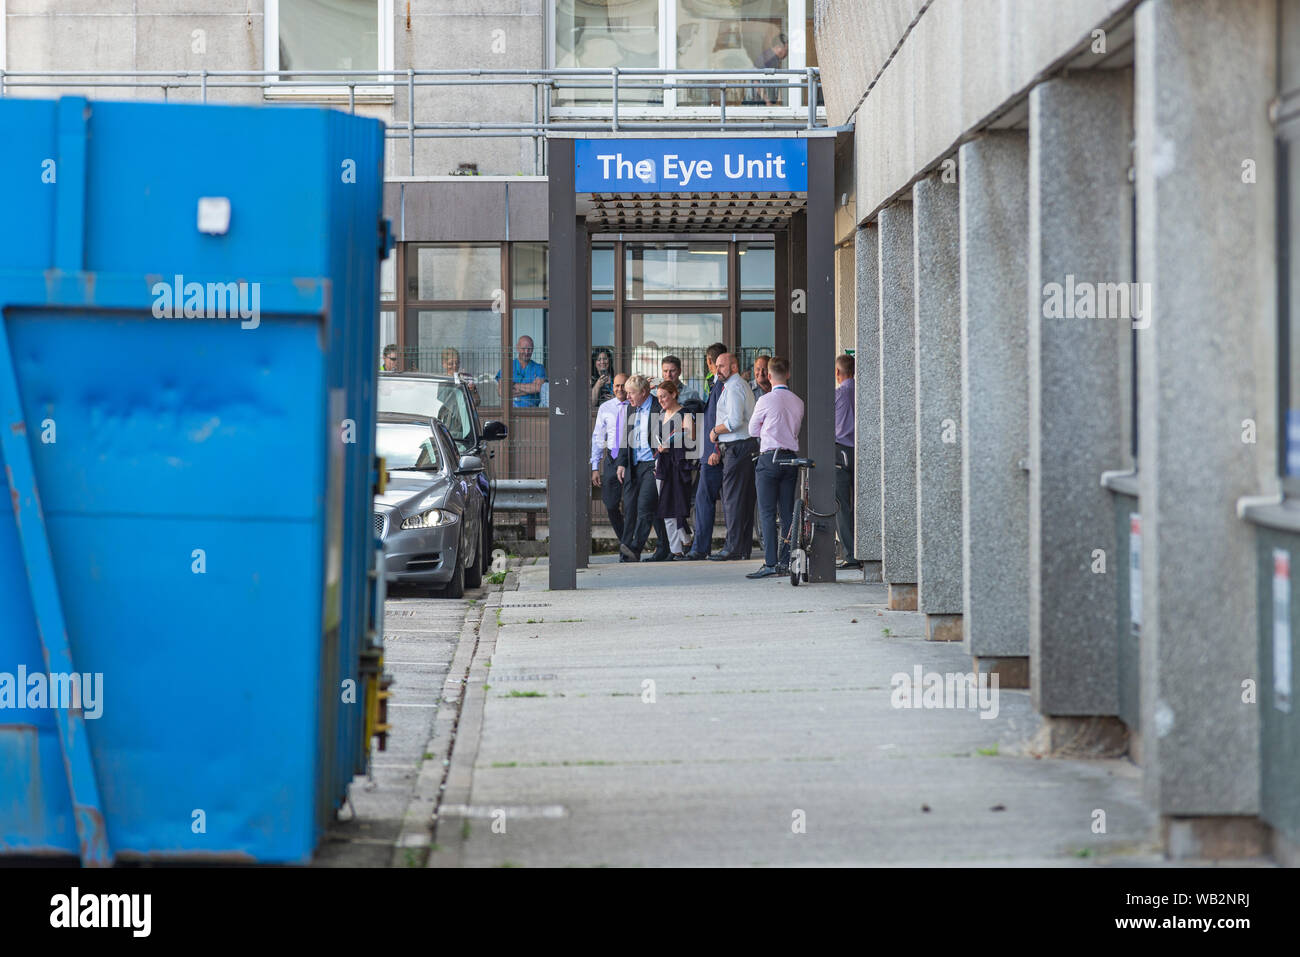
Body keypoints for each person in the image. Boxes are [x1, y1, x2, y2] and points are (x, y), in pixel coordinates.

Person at [746, 356, 805, 579]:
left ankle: (770, 563)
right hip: (790, 459)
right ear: (788, 374)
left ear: (769, 376)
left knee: (767, 512)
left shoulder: (765, 400)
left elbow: (753, 430)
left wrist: (768, 431)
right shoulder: (798, 401)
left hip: (769, 458)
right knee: (788, 511)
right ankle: (786, 560)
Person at [707, 352, 757, 561]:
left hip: (737, 447)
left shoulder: (735, 387)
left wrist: (715, 431)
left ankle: (733, 548)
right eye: (717, 366)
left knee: (733, 499)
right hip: (744, 447)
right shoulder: (738, 385)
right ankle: (742, 547)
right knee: (743, 499)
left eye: (722, 366)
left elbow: (735, 421)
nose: (717, 370)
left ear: (734, 367)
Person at [681, 342, 729, 560]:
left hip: (713, 452)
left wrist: (715, 448)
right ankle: (718, 545)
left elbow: (721, 419)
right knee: (718, 500)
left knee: (703, 499)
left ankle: (701, 547)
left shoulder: (720, 386)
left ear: (709, 362)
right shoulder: (718, 385)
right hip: (713, 451)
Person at [615, 375, 661, 563]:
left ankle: (635, 548)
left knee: (645, 507)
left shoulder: (658, 407)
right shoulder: (630, 408)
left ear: (644, 392)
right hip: (634, 465)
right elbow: (626, 437)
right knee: (630, 507)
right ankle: (626, 549)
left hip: (652, 463)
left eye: (631, 393)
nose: (628, 397)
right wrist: (621, 462)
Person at [652, 379, 696, 559]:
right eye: (659, 397)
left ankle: (686, 539)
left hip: (680, 466)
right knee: (665, 506)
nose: (661, 400)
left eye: (664, 396)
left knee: (678, 505)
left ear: (673, 394)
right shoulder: (661, 415)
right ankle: (675, 549)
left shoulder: (685, 413)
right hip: (662, 465)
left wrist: (671, 443)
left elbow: (691, 436)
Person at [590, 373, 629, 542]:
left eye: (623, 386)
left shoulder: (636, 405)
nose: (620, 389)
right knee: (611, 504)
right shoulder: (605, 407)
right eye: (617, 386)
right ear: (613, 387)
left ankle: (629, 543)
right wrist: (595, 467)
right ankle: (624, 539)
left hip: (630, 460)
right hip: (612, 459)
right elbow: (598, 437)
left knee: (630, 505)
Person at [834, 354, 862, 570]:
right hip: (862, 451)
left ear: (837, 373)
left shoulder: (837, 395)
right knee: (862, 503)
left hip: (840, 452)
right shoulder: (863, 391)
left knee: (842, 505)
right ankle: (867, 549)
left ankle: (850, 554)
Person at [499, 335, 547, 408]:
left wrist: (514, 385)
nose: (526, 352)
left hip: (532, 413)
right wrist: (529, 390)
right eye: (523, 348)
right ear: (517, 348)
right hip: (510, 412)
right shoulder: (507, 367)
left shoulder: (539, 368)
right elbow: (502, 392)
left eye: (529, 349)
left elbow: (538, 388)